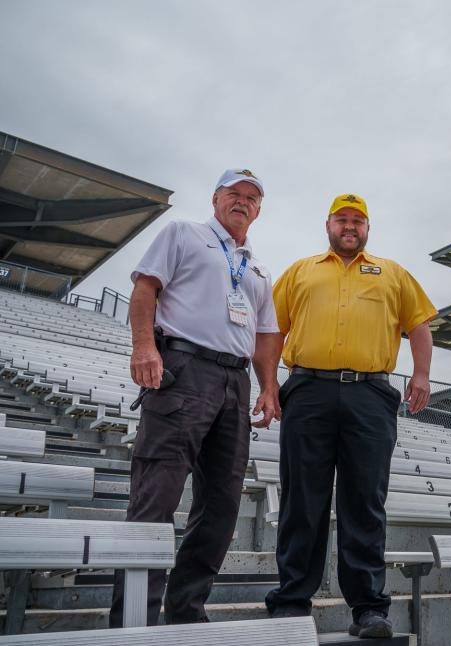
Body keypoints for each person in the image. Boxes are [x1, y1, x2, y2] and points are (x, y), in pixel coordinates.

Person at [110, 169, 283, 626]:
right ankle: (134, 620)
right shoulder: (183, 234)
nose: (242, 202)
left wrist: (268, 386)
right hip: (183, 369)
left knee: (223, 504)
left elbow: (266, 334)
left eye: (251, 197)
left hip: (235, 381)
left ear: (259, 209)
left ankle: (186, 609)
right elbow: (145, 288)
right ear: (216, 199)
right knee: (156, 497)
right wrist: (144, 346)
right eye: (234, 194)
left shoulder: (259, 269)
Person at [264, 193, 436, 638]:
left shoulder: (392, 273)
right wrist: (267, 384)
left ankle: (368, 609)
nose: (350, 226)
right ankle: (292, 601)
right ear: (328, 224)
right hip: (307, 389)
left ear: (367, 229)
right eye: (342, 219)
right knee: (304, 498)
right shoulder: (301, 271)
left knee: (365, 502)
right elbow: (272, 329)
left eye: (358, 221)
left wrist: (421, 375)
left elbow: (419, 324)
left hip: (370, 393)